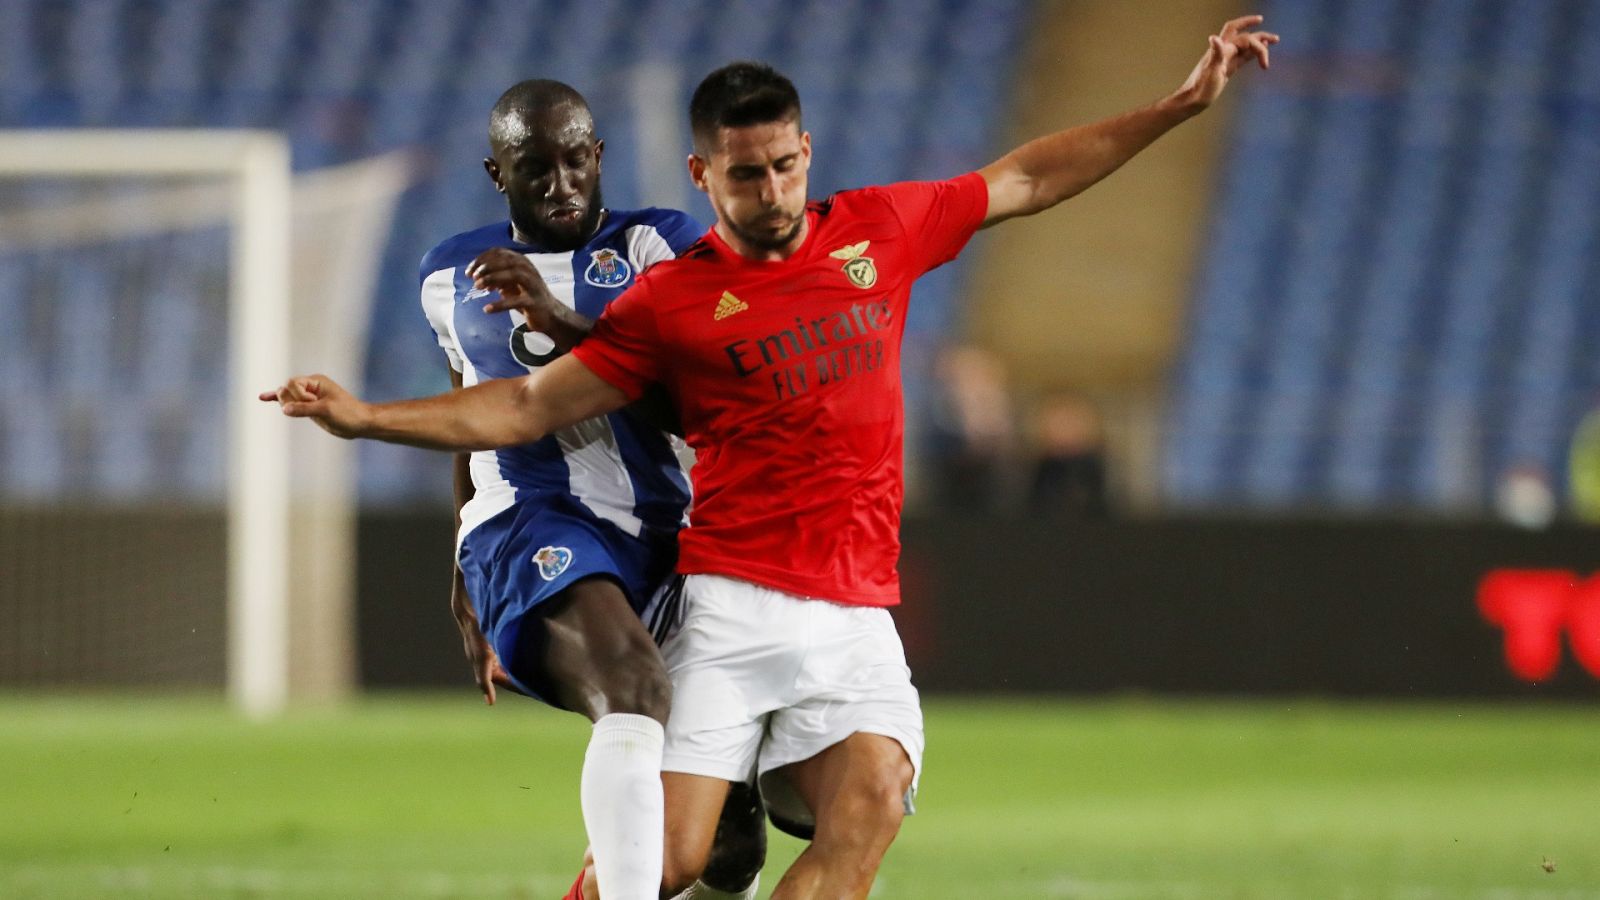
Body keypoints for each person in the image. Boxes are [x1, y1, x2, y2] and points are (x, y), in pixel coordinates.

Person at [264, 17, 1276, 899]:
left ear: (806, 150)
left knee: (868, 807)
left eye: (786, 163)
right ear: (704, 176)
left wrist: (1179, 105)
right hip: (731, 605)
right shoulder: (670, 298)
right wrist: (363, 420)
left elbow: (1023, 177)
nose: (773, 188)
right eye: (745, 172)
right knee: (663, 865)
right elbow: (524, 406)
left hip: (856, 615)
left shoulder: (878, 230)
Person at [416, 79, 763, 900]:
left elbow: (692, 401)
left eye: (576, 161)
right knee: (631, 688)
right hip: (531, 519)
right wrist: (463, 572)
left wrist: (556, 318)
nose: (561, 184)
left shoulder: (659, 247)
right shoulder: (446, 276)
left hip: (667, 538)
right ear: (498, 174)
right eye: (534, 168)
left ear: (599, 155)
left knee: (727, 839)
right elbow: (471, 415)